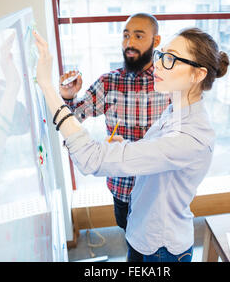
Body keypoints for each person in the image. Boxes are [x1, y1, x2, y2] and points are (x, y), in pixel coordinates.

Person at [33, 26, 229, 262]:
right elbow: (163, 157)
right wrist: (126, 144)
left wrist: (46, 86)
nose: (157, 64)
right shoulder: (176, 109)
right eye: (161, 55)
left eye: (170, 59)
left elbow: (91, 159)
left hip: (161, 247)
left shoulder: (191, 136)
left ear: (197, 75)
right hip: (142, 232)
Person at [58, 13, 171, 261]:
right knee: (131, 237)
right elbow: (73, 118)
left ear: (156, 39)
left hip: (159, 188)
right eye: (126, 35)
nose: (129, 42)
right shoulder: (109, 82)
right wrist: (67, 97)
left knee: (156, 245)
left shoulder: (169, 82)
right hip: (123, 188)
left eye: (139, 36)